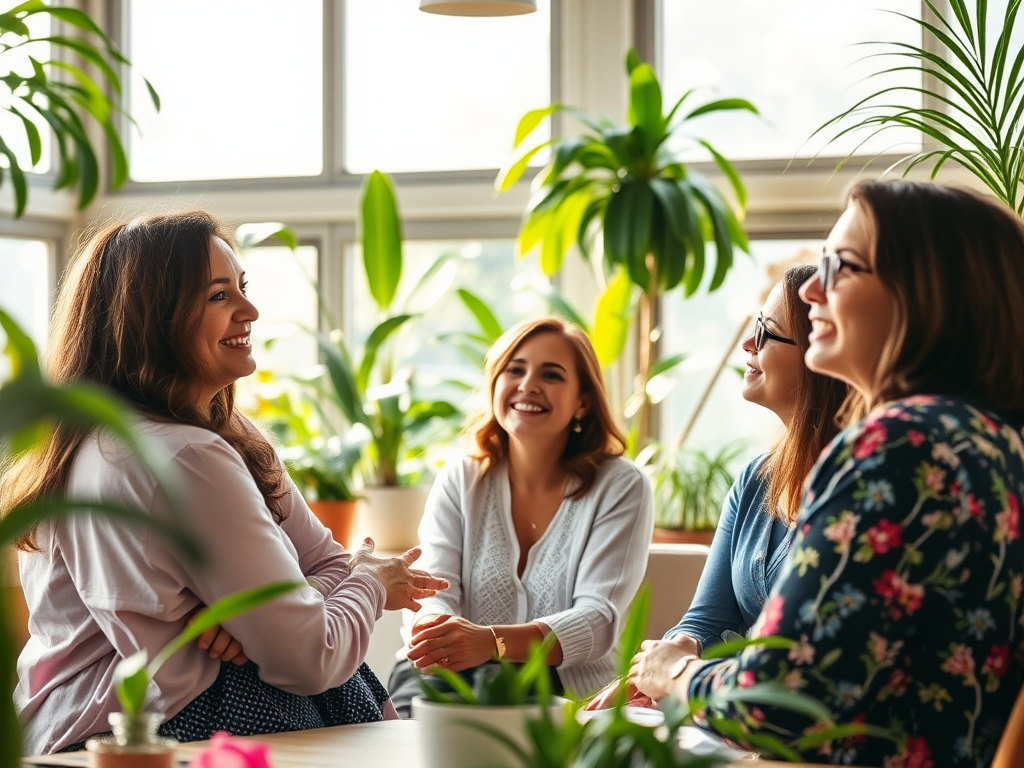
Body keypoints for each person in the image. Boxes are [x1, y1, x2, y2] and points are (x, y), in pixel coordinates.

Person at [1, 211, 447, 755]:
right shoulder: (188, 456)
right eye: (218, 296)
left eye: (242, 287)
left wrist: (261, 621)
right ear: (155, 319)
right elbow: (313, 657)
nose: (250, 311)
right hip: (144, 735)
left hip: (52, 731)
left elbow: (326, 563)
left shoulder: (76, 442)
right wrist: (370, 583)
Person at [630, 180, 1024, 767]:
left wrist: (674, 672)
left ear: (924, 294)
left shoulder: (900, 444)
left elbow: (776, 705)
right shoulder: (995, 442)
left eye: (842, 266)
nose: (812, 289)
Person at [587, 265, 848, 709]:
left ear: (817, 353)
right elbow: (708, 619)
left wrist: (678, 674)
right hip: (730, 713)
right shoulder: (754, 481)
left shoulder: (852, 489)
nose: (748, 344)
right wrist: (664, 662)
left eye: (766, 332)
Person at [386, 316, 655, 716]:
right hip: (446, 675)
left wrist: (490, 642)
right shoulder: (462, 477)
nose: (528, 385)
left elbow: (598, 619)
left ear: (583, 401)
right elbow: (431, 592)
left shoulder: (621, 485)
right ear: (495, 383)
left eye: (551, 375)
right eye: (515, 370)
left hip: (564, 691)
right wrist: (441, 636)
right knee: (410, 725)